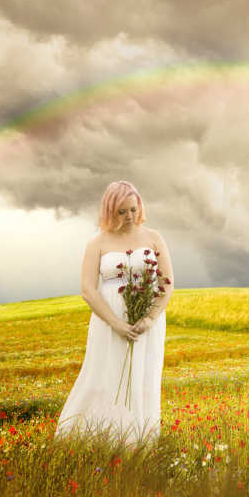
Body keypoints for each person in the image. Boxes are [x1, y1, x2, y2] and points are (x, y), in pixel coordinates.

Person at [54, 180, 173, 448]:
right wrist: (116, 323)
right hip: (108, 322)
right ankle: (97, 438)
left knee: (143, 377)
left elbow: (167, 282)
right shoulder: (97, 242)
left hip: (146, 323)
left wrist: (150, 318)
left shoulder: (154, 238)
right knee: (104, 375)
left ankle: (137, 440)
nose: (129, 217)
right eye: (122, 212)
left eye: (133, 209)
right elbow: (87, 289)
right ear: (110, 211)